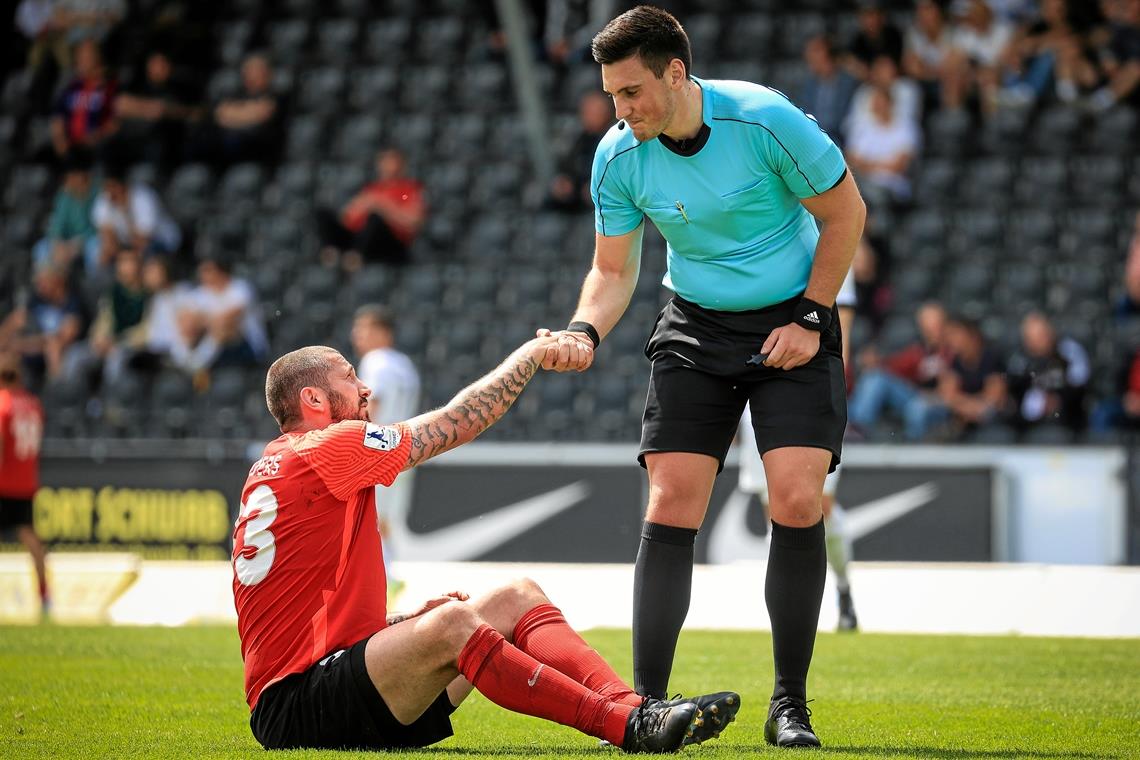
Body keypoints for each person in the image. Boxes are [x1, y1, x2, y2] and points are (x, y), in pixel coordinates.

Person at [540, 6, 867, 749]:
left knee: (795, 498)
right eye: (612, 96)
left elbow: (846, 214)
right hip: (693, 323)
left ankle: (790, 705)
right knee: (672, 499)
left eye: (630, 93)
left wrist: (814, 316)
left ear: (676, 74)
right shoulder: (618, 154)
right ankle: (645, 706)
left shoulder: (766, 120)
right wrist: (584, 330)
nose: (619, 111)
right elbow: (612, 270)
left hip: (794, 317)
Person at [233, 340, 740, 752]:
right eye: (349, 376)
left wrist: (399, 627)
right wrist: (530, 356)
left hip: (330, 685)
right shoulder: (328, 445)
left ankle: (637, 708)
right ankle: (624, 726)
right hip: (299, 708)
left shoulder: (278, 463)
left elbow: (303, 619)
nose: (365, 387)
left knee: (515, 595)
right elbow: (460, 421)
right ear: (314, 402)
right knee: (454, 624)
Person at [738, 266, 860, 632]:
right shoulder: (756, 226)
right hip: (753, 386)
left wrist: (833, 385)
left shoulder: (832, 235)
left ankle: (842, 588)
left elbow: (844, 324)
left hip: (811, 385)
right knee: (774, 512)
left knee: (818, 505)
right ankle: (791, 614)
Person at [351, 304, 421, 600]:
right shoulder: (405, 364)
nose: (357, 334)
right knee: (385, 518)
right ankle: (388, 574)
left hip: (377, 447)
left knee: (368, 517)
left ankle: (382, 579)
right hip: (405, 446)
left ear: (382, 332)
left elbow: (372, 403)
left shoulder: (376, 361)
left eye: (364, 327)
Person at [848, 301, 950, 440]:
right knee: (875, 377)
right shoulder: (918, 349)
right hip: (916, 394)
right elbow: (895, 367)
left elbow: (954, 384)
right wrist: (877, 362)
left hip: (942, 400)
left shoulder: (952, 348)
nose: (929, 328)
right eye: (925, 322)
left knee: (918, 407)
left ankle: (913, 448)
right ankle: (856, 427)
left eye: (933, 322)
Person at [316, 148, 426, 270]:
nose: (386, 165)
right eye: (383, 160)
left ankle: (356, 258)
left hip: (390, 242)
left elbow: (414, 221)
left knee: (375, 218)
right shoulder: (372, 189)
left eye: (391, 160)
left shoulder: (407, 190)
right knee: (323, 213)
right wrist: (363, 203)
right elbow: (347, 216)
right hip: (359, 236)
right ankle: (332, 254)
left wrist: (382, 206)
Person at [0, 352, 50, 619]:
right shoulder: (33, 404)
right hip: (26, 480)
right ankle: (44, 595)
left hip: (3, 481)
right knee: (31, 538)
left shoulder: (3, 404)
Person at [1005, 311, 1088, 436]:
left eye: (1041, 337)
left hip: (1066, 414)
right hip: (1028, 421)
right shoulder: (1020, 359)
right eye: (1031, 339)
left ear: (1051, 333)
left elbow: (1079, 383)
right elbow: (1015, 389)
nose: (1036, 343)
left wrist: (1057, 399)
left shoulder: (1069, 351)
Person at [92, 164, 182, 271]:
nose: (110, 192)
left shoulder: (144, 196)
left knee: (139, 257)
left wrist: (125, 212)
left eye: (113, 186)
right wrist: (110, 248)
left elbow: (143, 239)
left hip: (162, 241)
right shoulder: (105, 198)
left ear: (123, 185)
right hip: (127, 243)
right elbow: (105, 234)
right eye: (107, 187)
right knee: (95, 248)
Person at [932, 315, 1009, 439]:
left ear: (971, 335)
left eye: (955, 334)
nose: (951, 340)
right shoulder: (953, 361)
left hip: (992, 421)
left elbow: (993, 401)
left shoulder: (991, 357)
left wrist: (962, 404)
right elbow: (947, 397)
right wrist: (968, 407)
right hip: (963, 418)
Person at [844, 86, 920, 207]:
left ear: (890, 103)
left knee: (871, 195)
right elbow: (852, 158)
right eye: (874, 101)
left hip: (893, 184)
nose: (875, 104)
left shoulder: (905, 126)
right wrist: (877, 166)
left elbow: (900, 165)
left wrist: (868, 165)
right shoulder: (863, 126)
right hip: (863, 181)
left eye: (879, 101)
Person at [33, 147, 100, 273]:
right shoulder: (65, 195)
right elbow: (57, 225)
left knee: (95, 247)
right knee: (41, 248)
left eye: (72, 176)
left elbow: (100, 227)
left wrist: (75, 246)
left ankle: (93, 285)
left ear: (82, 175)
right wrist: (57, 243)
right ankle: (48, 284)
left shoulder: (98, 191)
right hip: (68, 241)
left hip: (90, 239)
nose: (68, 181)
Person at [49, 38, 117, 159]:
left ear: (98, 58)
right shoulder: (72, 87)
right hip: (71, 150)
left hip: (99, 149)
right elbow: (58, 118)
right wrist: (60, 140)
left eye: (85, 56)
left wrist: (97, 137)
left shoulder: (110, 86)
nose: (79, 61)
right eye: (78, 56)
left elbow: (115, 122)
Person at [548, 91, 616, 212]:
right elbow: (568, 166)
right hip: (578, 195)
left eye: (593, 112)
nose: (587, 116)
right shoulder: (579, 139)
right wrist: (565, 181)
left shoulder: (615, 139)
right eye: (586, 112)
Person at [797, 35, 858, 145]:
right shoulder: (810, 84)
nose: (809, 57)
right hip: (815, 138)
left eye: (815, 52)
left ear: (827, 55)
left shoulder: (848, 83)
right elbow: (806, 112)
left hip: (841, 140)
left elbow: (846, 119)